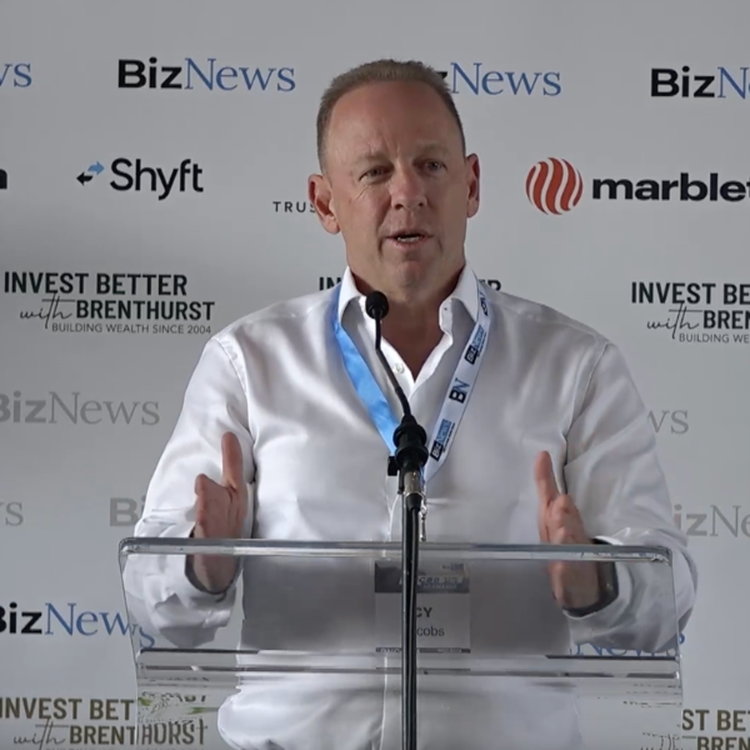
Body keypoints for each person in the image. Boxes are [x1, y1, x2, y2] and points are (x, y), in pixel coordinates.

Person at [124, 59, 697, 749]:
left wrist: (598, 581)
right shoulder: (248, 363)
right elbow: (150, 601)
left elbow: (667, 599)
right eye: (374, 172)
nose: (408, 193)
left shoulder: (576, 365)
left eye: (431, 165)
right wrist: (201, 563)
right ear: (324, 203)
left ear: (472, 184)